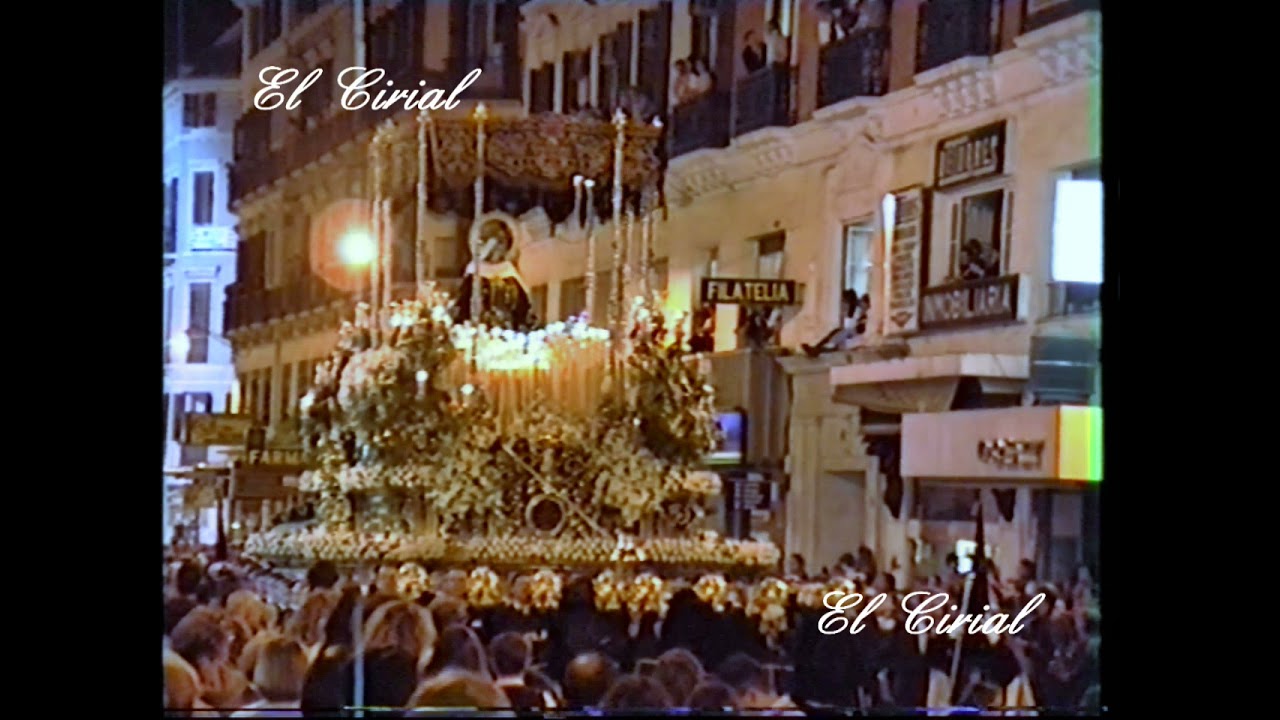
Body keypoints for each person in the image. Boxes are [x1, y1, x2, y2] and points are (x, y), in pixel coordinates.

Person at [802, 290, 867, 357]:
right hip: (849, 331)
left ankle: (820, 349)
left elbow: (859, 329)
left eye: (863, 302)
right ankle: (816, 347)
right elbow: (848, 323)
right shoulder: (856, 310)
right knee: (834, 331)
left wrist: (858, 324)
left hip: (853, 333)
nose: (861, 304)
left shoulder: (864, 314)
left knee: (842, 333)